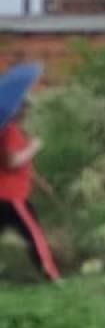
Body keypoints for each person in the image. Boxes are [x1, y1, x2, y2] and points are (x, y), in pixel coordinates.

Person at [0, 97, 59, 282]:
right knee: (35, 235)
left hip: (5, 195)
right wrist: (34, 147)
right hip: (12, 196)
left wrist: (41, 183)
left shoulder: (9, 130)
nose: (26, 112)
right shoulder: (9, 131)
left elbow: (22, 165)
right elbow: (12, 163)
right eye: (23, 108)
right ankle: (51, 276)